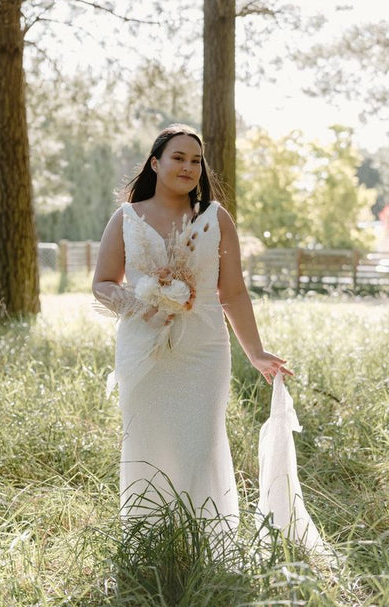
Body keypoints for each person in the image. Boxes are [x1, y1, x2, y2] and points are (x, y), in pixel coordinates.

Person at [92, 123, 293, 530]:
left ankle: (207, 536)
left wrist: (255, 352)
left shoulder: (216, 219)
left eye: (196, 160)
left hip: (204, 347)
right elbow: (101, 283)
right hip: (143, 347)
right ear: (155, 162)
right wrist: (139, 304)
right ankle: (149, 536)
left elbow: (232, 293)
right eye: (178, 158)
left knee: (200, 445)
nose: (188, 167)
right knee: (147, 440)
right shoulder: (127, 217)